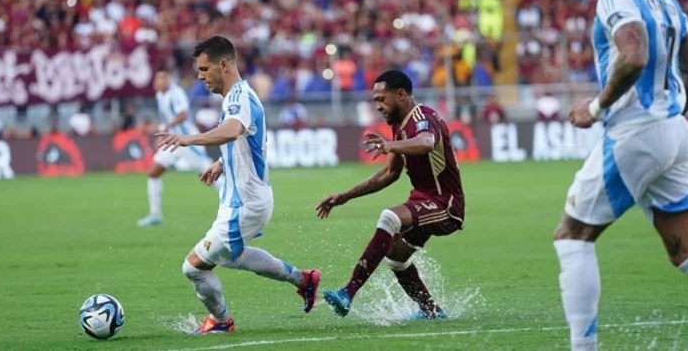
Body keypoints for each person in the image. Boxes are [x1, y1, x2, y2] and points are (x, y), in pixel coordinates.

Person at [557, 0, 688, 350]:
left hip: (637, 132)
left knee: (572, 236)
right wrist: (670, 117)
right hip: (675, 131)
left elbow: (635, 53)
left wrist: (594, 107)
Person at [155, 36, 321, 334]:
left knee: (193, 267)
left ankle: (221, 322)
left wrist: (188, 138)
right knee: (233, 258)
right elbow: (253, 137)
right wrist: (221, 164)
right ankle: (304, 280)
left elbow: (232, 130)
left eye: (205, 69)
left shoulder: (238, 98)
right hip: (246, 198)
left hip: (244, 203)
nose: (200, 76)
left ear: (224, 64)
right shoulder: (240, 96)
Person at [317, 69, 465, 319]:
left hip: (445, 204)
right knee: (396, 257)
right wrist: (345, 196)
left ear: (401, 94)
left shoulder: (423, 117)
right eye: (375, 100)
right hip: (423, 201)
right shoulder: (399, 128)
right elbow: (389, 173)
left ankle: (348, 293)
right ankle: (432, 311)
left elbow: (426, 142)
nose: (377, 106)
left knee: (389, 217)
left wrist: (390, 145)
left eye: (381, 99)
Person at [137, 69, 222, 227]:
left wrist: (165, 126)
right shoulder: (160, 95)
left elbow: (183, 116)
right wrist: (164, 134)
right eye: (158, 79)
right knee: (153, 172)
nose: (160, 82)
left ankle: (238, 204)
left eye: (163, 78)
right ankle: (155, 214)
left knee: (208, 176)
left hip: (187, 142)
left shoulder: (176, 93)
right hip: (172, 141)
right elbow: (168, 118)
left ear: (170, 79)